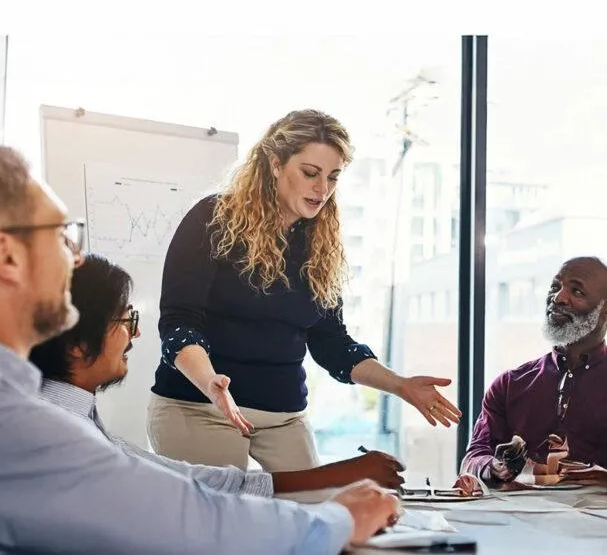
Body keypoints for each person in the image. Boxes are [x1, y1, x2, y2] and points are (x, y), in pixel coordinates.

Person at [0, 144, 398, 554]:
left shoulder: (52, 415)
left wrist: (334, 488)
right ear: (5, 255)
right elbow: (186, 520)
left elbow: (179, 483)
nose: (75, 260)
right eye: (61, 236)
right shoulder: (10, 423)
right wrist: (337, 519)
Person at [150, 109, 461, 472]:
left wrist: (401, 385)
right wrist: (210, 384)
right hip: (199, 405)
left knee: (315, 515)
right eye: (311, 173)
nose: (322, 189)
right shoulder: (212, 219)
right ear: (275, 163)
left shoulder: (319, 244)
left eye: (333, 177)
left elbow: (333, 345)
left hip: (283, 415)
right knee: (229, 520)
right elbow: (178, 324)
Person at [30, 252, 407, 499]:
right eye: (127, 319)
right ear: (77, 344)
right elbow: (186, 492)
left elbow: (187, 480)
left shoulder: (75, 418)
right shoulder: (59, 438)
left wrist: (341, 473)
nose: (137, 332)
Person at [460, 256, 607, 499]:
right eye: (554, 287)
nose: (558, 298)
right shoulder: (508, 385)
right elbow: (473, 458)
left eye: (576, 291)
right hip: (521, 530)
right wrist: (494, 468)